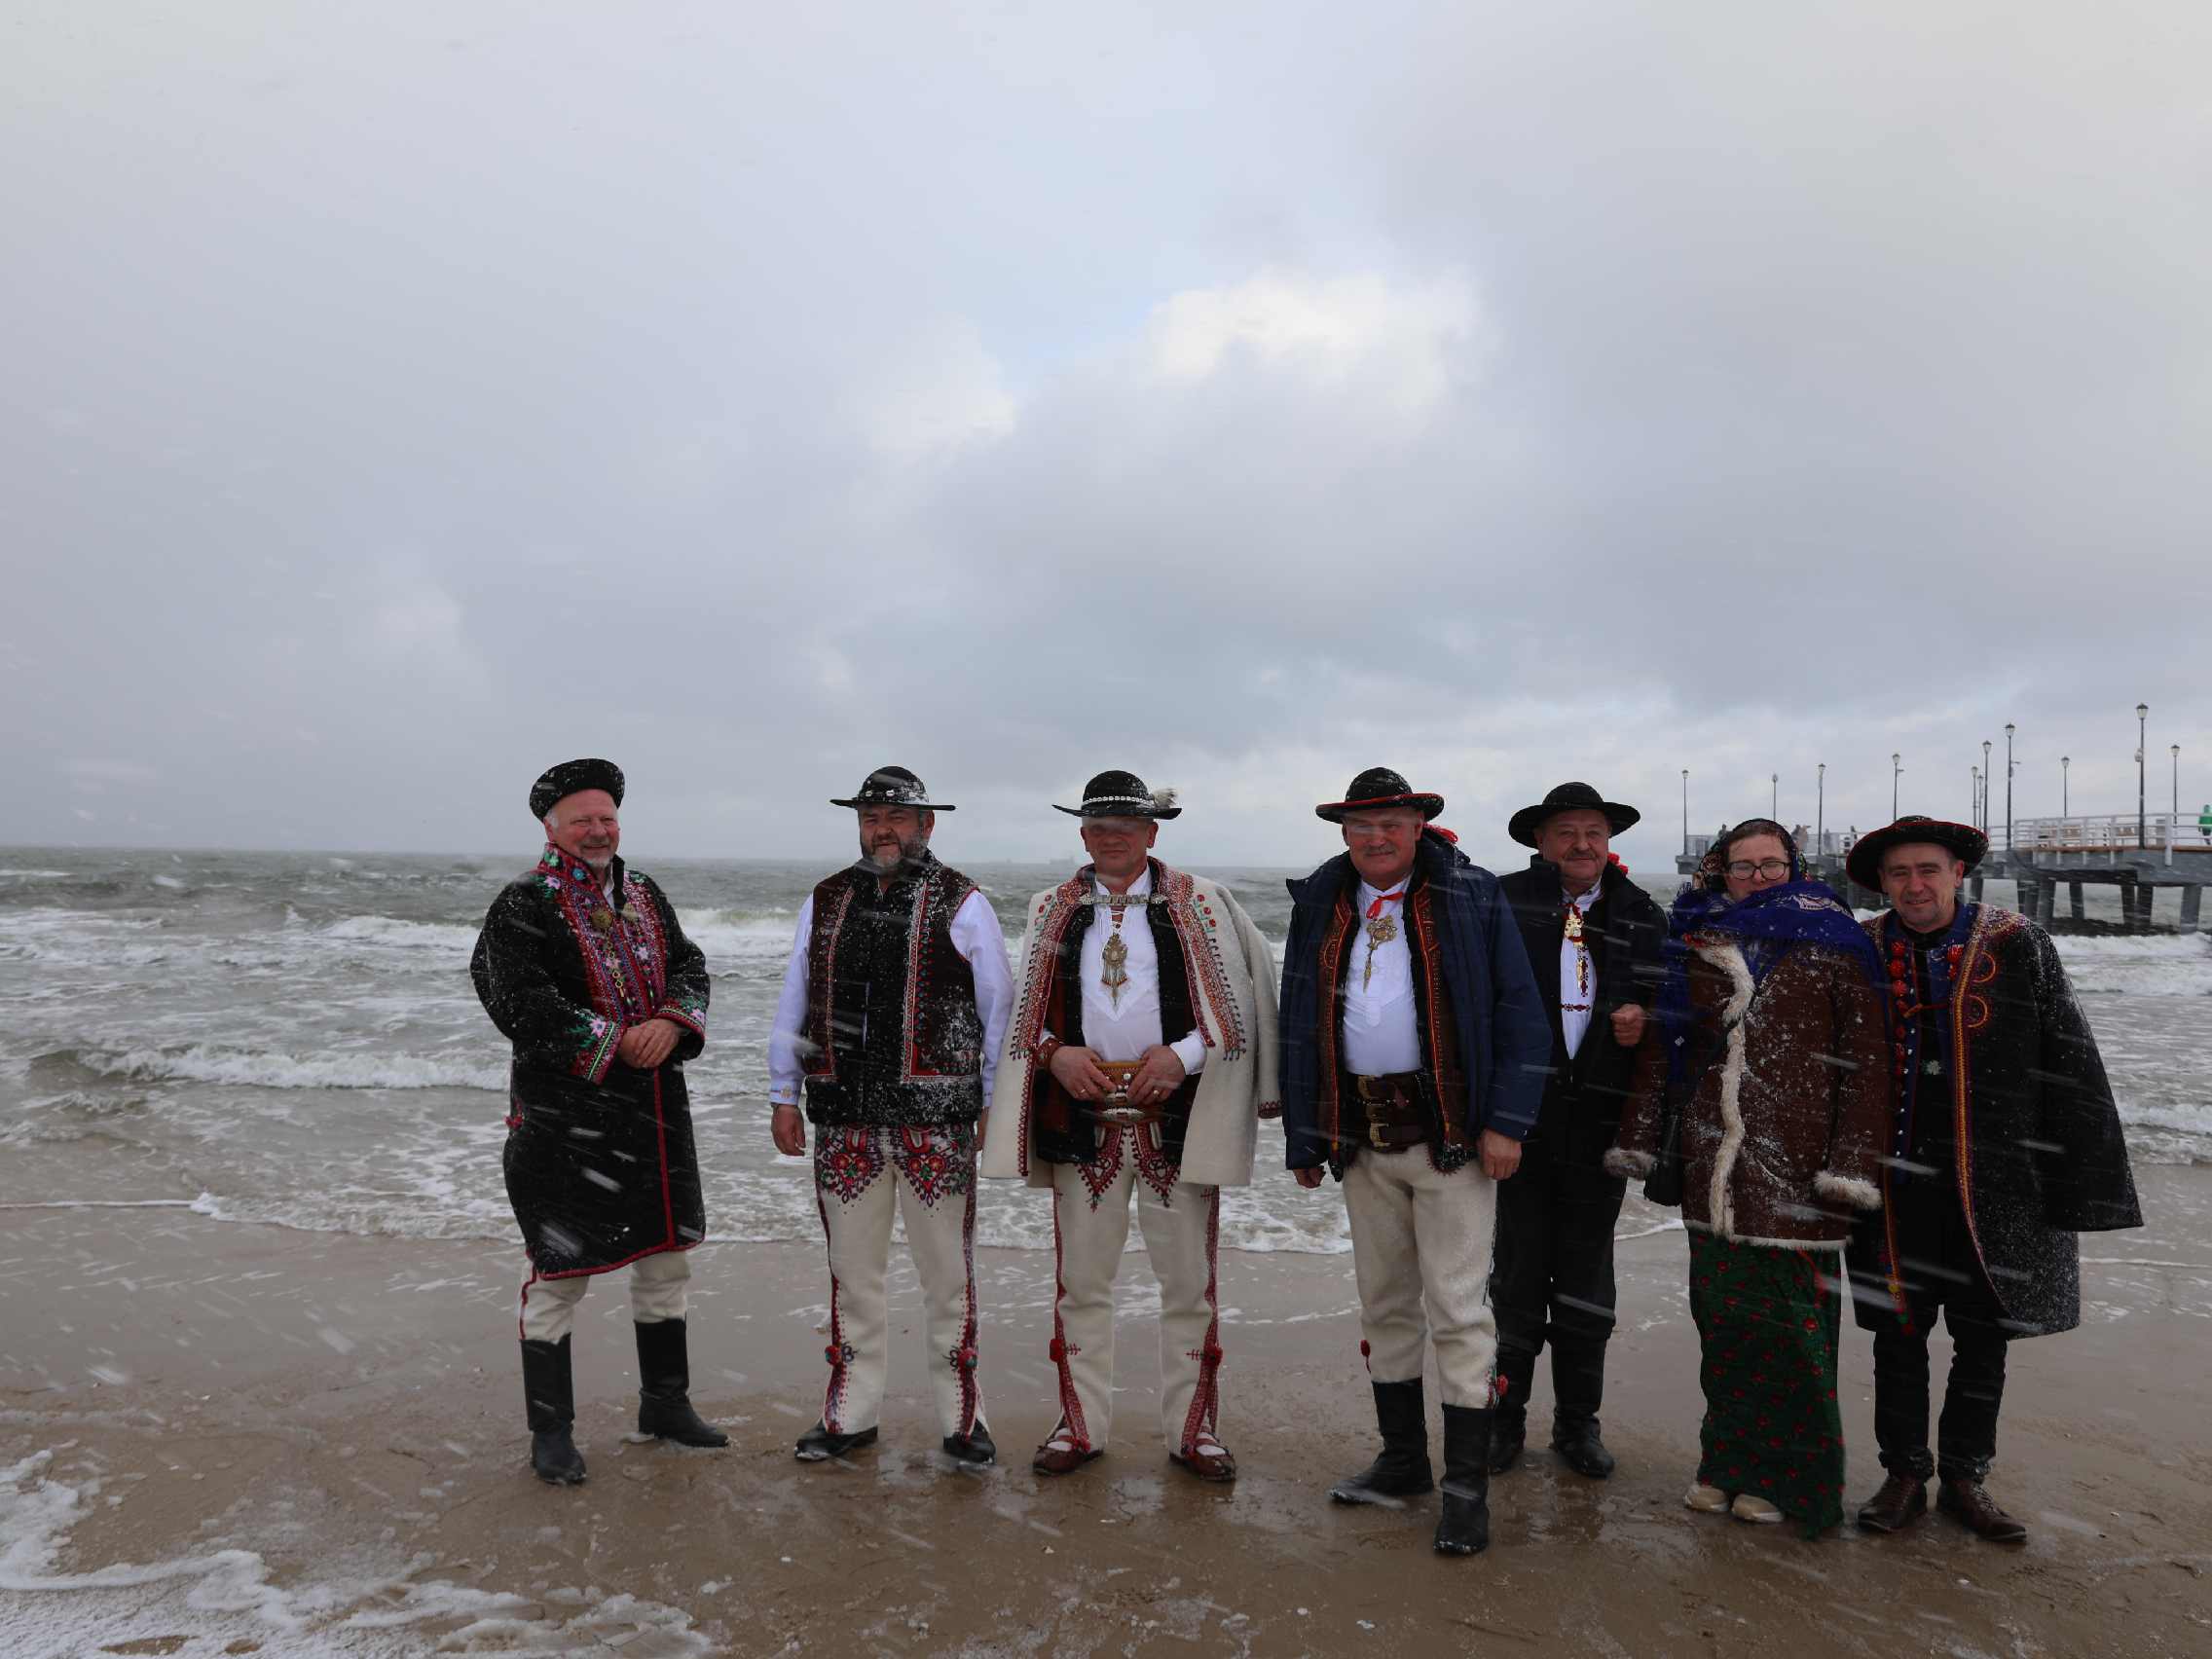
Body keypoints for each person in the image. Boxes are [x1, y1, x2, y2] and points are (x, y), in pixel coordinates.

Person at [1844, 816, 2142, 1543]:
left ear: (1958, 873)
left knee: (1984, 1339)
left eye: (1928, 869)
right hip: (1892, 1186)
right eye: (1899, 873)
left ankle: (1965, 1479)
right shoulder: (1862, 948)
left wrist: (2083, 1179)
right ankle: (1903, 1475)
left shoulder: (2018, 943)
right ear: (1882, 883)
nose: (1915, 885)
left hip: (1997, 1181)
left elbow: (2069, 1054)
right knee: (1898, 1336)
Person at [1278, 767, 1550, 1557]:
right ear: (1344, 833)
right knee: (1385, 1305)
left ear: (1418, 827)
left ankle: (1466, 1492)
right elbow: (1299, 1018)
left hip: (1450, 1138)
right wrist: (1306, 1136)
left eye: (1392, 823)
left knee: (1459, 1310)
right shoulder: (1322, 899)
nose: (1377, 838)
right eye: (1362, 826)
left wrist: (1506, 1124)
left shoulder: (1469, 895)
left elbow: (1519, 1010)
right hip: (1360, 1138)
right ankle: (1403, 1463)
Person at [981, 770, 1279, 1481]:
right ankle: (1080, 1426)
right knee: (1081, 1285)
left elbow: (1236, 1005)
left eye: (1125, 826)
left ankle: (1193, 1431)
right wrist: (1056, 1056)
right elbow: (1027, 1014)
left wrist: (1181, 1057)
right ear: (1083, 835)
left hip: (1176, 1118)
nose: (1111, 838)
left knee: (1189, 1287)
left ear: (1152, 832)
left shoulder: (1204, 902)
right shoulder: (1050, 907)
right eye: (1098, 827)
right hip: (1082, 1119)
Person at [1606, 818, 1887, 1536]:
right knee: (1725, 1328)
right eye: (1743, 866)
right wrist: (1638, 1140)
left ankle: (1796, 1481)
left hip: (1800, 1172)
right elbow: (1665, 1050)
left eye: (1771, 865)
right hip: (1712, 1165)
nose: (1758, 878)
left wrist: (1849, 1168)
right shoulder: (1694, 941)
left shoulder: (1837, 942)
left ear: (1794, 867)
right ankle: (1726, 1465)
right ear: (1720, 872)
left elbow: (1867, 1065)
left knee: (1794, 1336)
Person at [471, 757, 724, 1486]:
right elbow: (514, 998)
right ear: (551, 828)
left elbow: (690, 966)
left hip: (654, 1115)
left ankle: (665, 1406)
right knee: (558, 1276)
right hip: (564, 1122)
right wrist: (614, 1041)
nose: (597, 830)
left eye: (606, 817)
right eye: (581, 819)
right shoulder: (523, 902)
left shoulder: (644, 892)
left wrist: (672, 1022)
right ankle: (551, 1433)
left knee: (666, 1263)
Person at [768, 766, 1014, 1467]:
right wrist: (783, 1093)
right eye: (871, 817)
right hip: (843, 1115)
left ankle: (963, 1418)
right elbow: (795, 996)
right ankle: (849, 1413)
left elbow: (999, 1008)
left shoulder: (962, 900)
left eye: (896, 817)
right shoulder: (826, 899)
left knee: (947, 1275)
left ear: (926, 825)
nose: (882, 829)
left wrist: (996, 1102)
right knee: (852, 1273)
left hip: (937, 1119)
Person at [1491, 783, 1666, 1479]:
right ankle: (1504, 1420)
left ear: (1609, 840)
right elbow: (1474, 1005)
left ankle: (1577, 1425)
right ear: (1541, 842)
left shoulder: (1639, 911)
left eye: (1593, 831)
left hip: (1600, 1123)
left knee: (1587, 1281)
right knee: (1516, 1275)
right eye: (1566, 832)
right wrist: (1491, 1118)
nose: (1581, 844)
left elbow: (1673, 1004)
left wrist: (1647, 1017)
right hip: (1520, 1121)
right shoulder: (1505, 902)